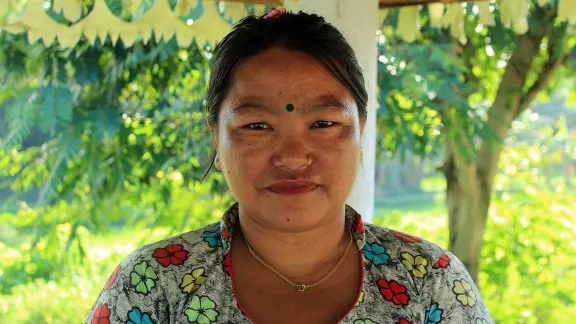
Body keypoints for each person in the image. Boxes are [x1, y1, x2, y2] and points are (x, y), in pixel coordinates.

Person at [86, 8, 493, 324]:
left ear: (361, 130)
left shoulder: (428, 280)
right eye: (257, 125)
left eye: (323, 124)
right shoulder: (152, 285)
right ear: (216, 134)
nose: (294, 157)